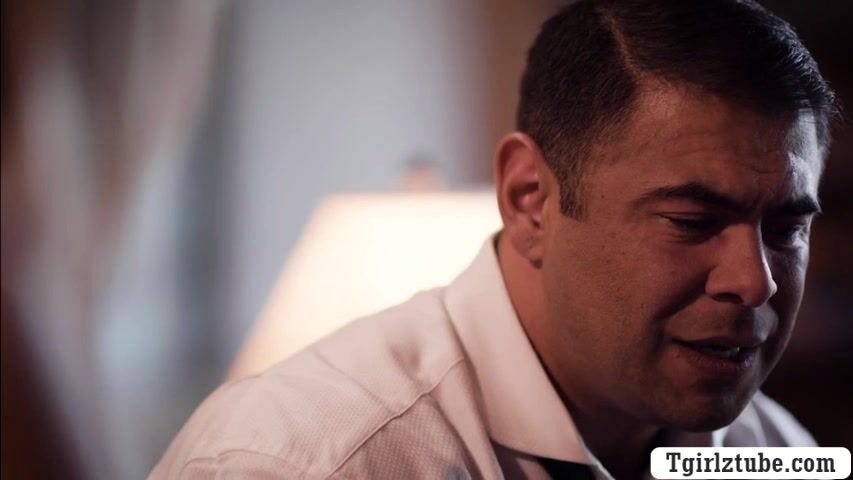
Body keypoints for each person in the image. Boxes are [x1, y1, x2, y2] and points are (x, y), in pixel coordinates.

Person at [151, 0, 837, 478]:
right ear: (529, 199)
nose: (754, 282)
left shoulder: (775, 453)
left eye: (786, 229)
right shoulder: (306, 460)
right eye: (691, 221)